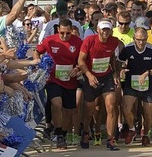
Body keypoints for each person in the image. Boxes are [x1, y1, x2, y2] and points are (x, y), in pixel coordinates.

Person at [34, 19, 83, 149]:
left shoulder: (78, 42)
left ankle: (63, 133)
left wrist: (77, 68)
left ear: (71, 30)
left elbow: (83, 60)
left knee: (68, 111)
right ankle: (59, 133)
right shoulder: (50, 40)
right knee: (56, 104)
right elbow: (37, 51)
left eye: (67, 33)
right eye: (62, 33)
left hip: (70, 80)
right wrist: (38, 63)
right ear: (58, 30)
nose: (65, 36)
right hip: (53, 79)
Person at [78, 18, 124, 150]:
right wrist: (89, 75)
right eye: (103, 29)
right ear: (98, 29)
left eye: (107, 29)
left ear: (111, 30)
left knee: (111, 106)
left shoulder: (114, 41)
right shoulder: (89, 40)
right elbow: (81, 61)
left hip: (106, 77)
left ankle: (111, 139)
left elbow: (112, 57)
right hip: (91, 78)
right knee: (89, 109)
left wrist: (115, 72)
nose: (105, 32)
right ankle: (86, 132)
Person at [118, 28, 152, 146]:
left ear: (147, 39)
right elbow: (119, 62)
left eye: (143, 40)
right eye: (138, 40)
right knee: (126, 107)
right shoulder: (128, 48)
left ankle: (145, 134)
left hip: (147, 85)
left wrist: (147, 73)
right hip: (131, 83)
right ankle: (132, 129)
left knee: (148, 112)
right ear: (134, 38)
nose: (141, 42)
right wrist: (121, 69)